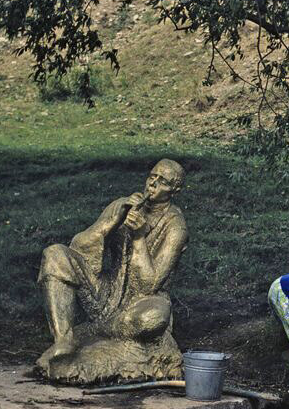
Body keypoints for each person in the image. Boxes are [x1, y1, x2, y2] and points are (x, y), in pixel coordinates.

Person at [37, 159, 188, 372]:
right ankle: (64, 340)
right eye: (152, 176)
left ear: (175, 189)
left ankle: (98, 331)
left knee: (151, 318)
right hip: (108, 293)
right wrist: (110, 222)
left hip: (143, 302)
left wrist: (138, 238)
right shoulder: (124, 205)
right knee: (55, 254)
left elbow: (149, 285)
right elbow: (79, 248)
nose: (152, 185)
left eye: (162, 181)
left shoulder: (176, 227)